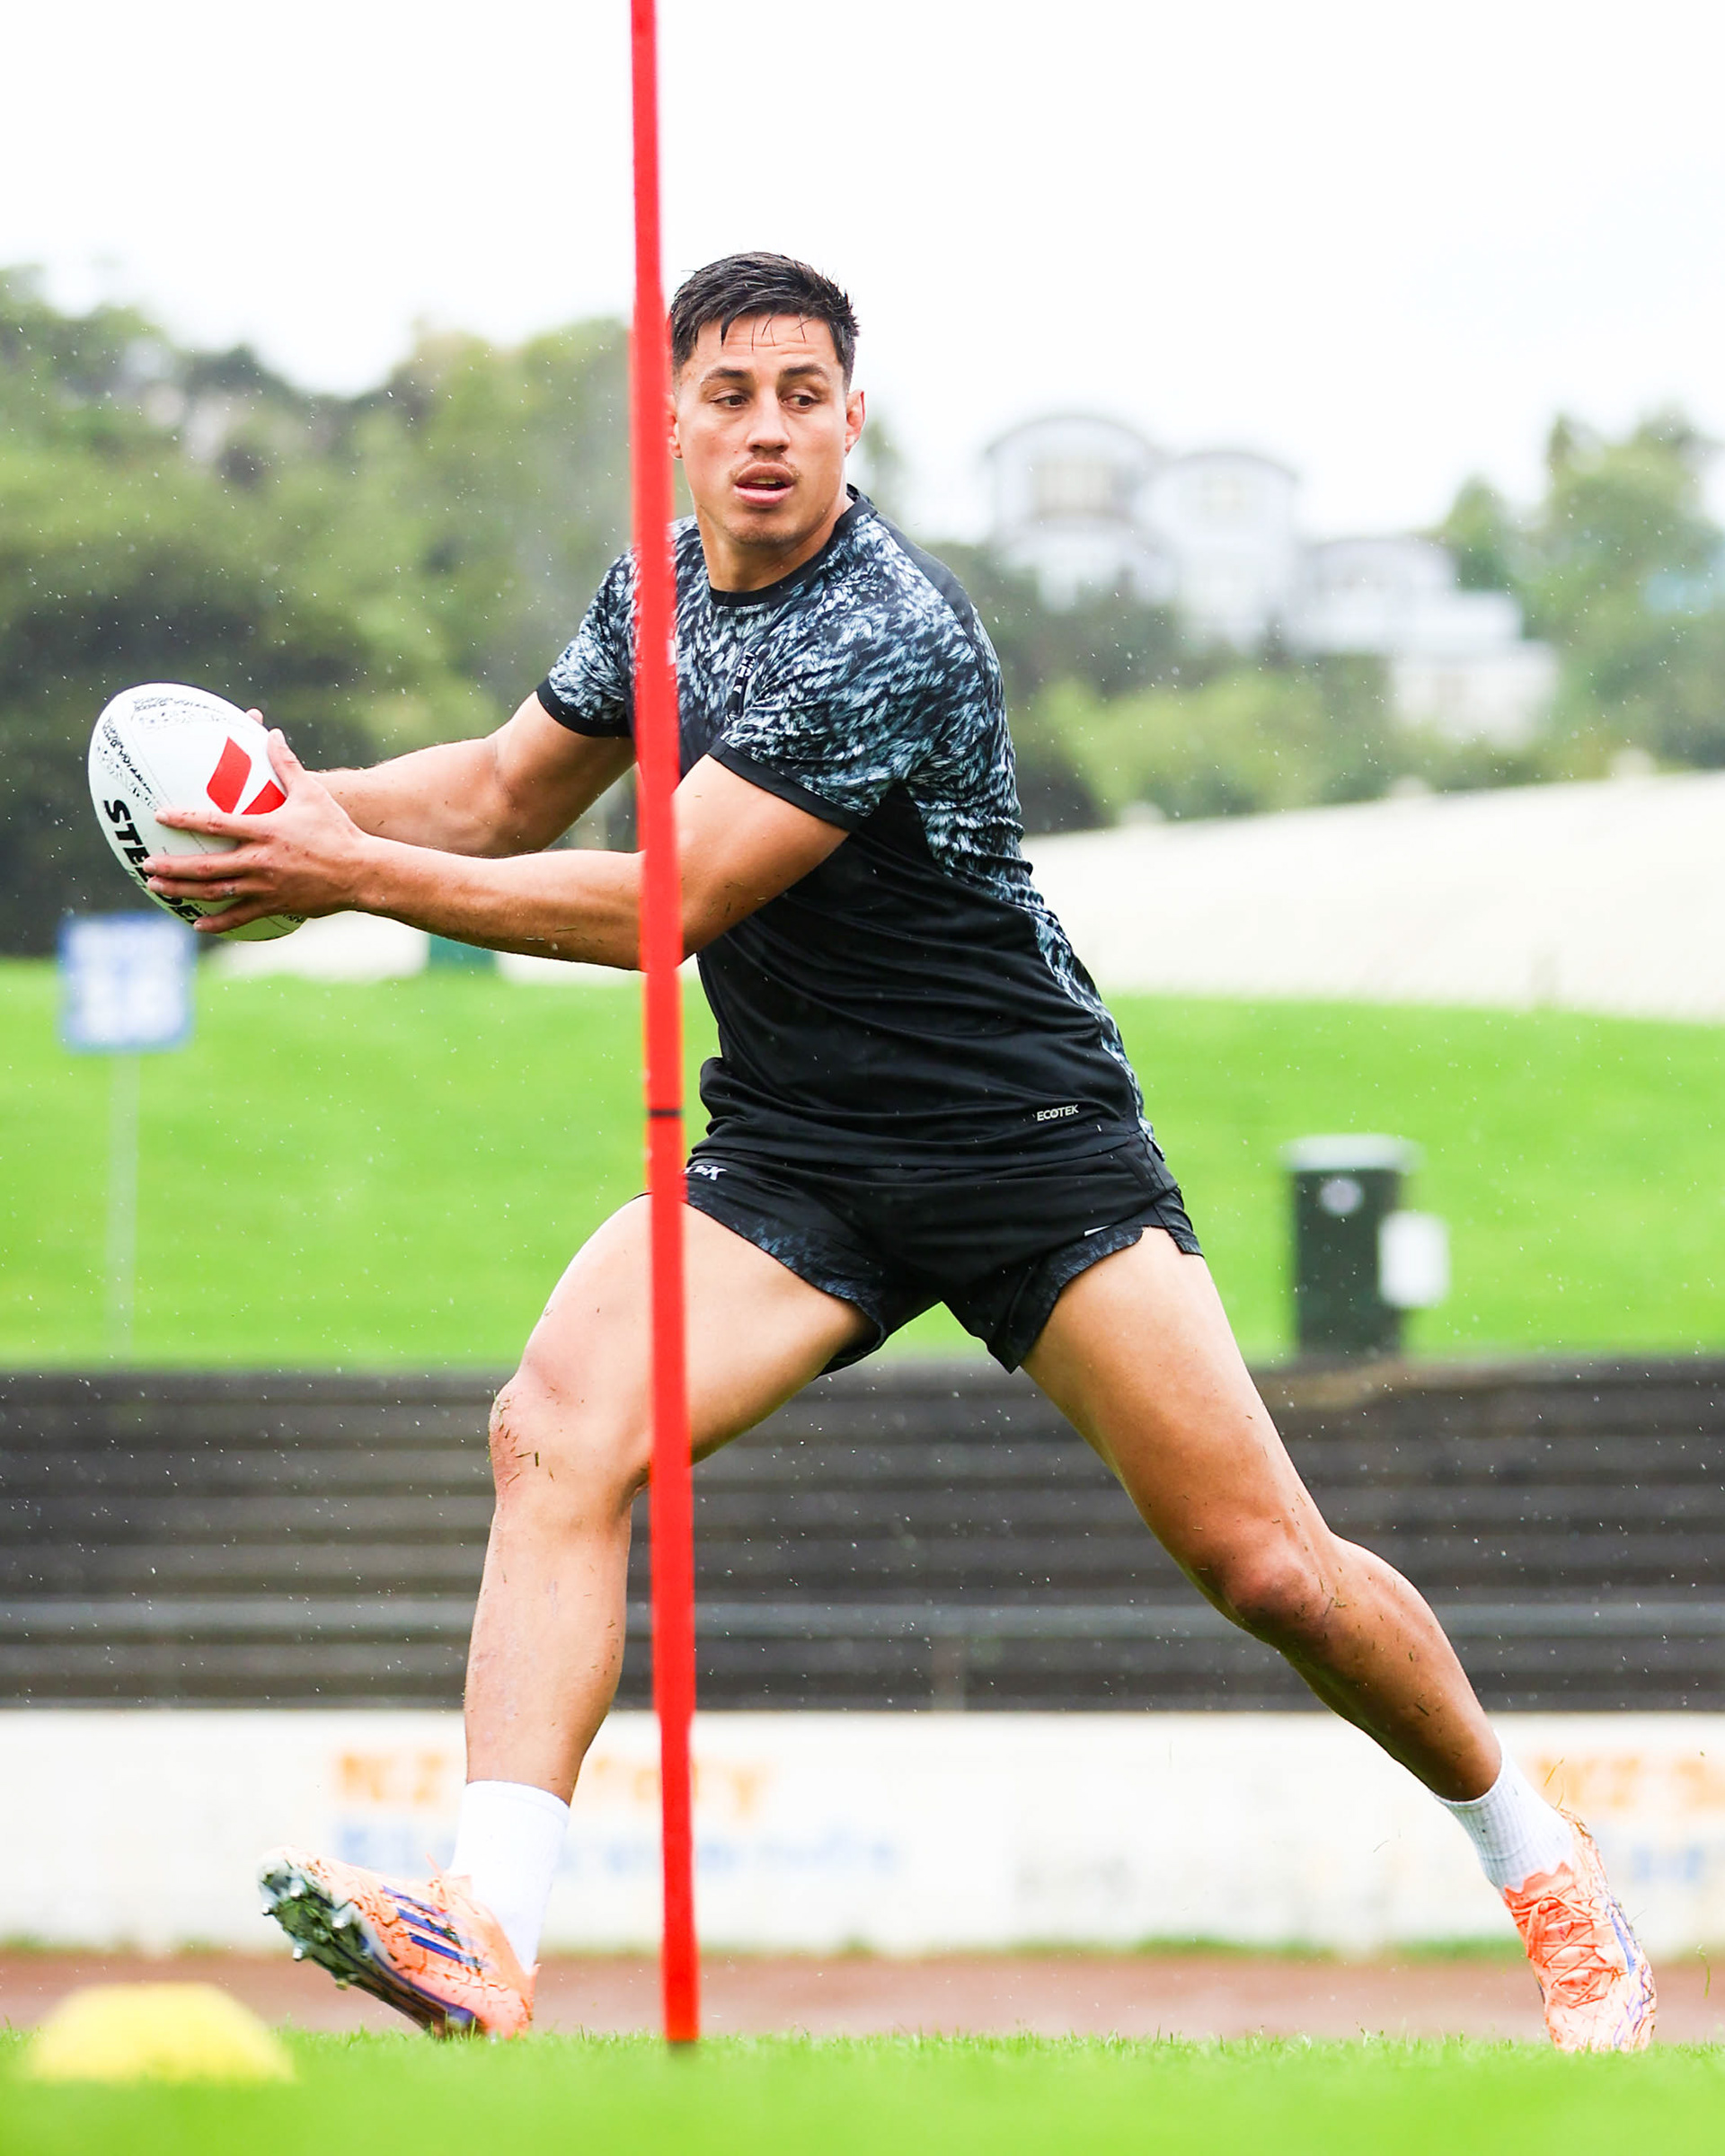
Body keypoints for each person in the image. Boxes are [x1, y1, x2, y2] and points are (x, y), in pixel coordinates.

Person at [146, 252, 1654, 2050]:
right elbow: (493, 791)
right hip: (799, 1155)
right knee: (554, 1427)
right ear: (674, 420)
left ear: (853, 420)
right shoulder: (654, 593)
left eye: (804, 397)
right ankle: (485, 1929)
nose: (767, 430)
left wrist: (344, 878)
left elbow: (664, 905)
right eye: (731, 395)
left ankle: (1540, 1859)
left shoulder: (884, 628)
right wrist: (281, 815)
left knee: (1267, 1568)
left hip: (1025, 1144)